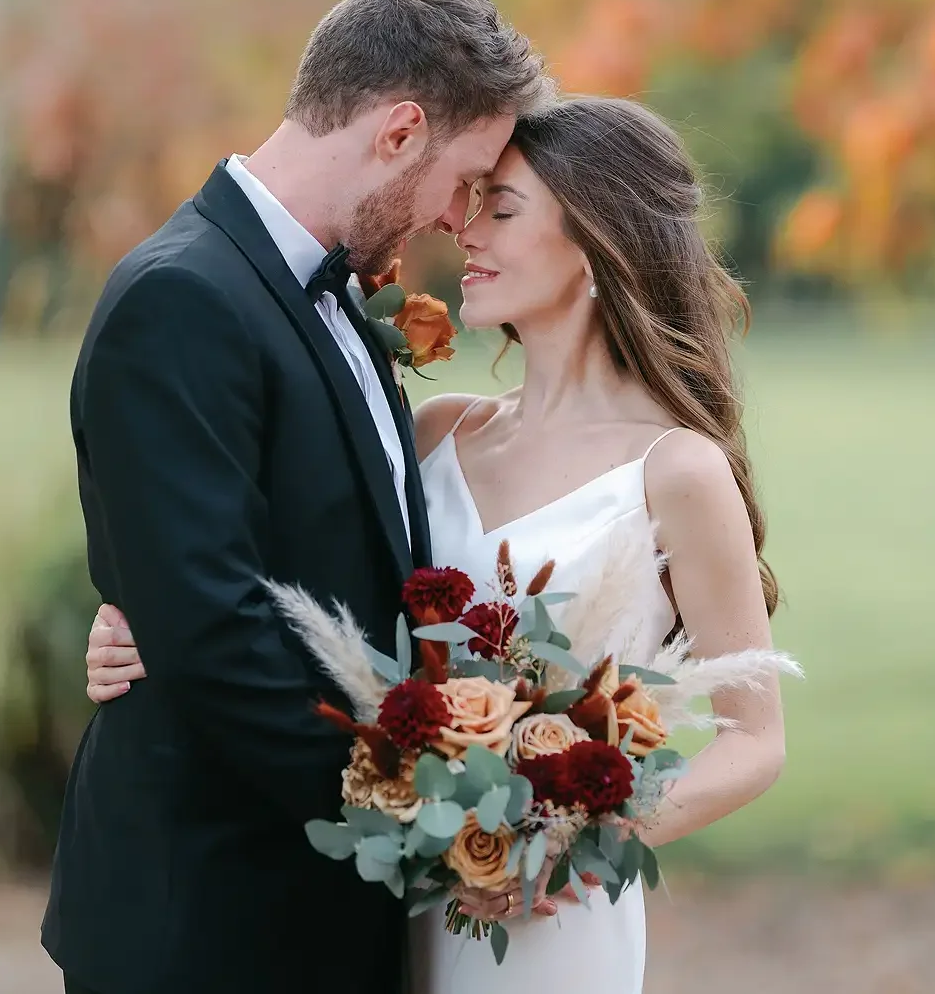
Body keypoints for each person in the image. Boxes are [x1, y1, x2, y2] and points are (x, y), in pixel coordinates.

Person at [86, 94, 788, 994]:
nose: (465, 229)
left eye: (501, 208)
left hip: (549, 919)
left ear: (594, 243)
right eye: (471, 200)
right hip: (393, 897)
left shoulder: (676, 472)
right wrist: (150, 626)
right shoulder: (437, 432)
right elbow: (278, 582)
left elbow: (754, 739)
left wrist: (576, 840)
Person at [42, 0, 551, 994]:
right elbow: (214, 631)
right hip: (208, 920)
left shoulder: (327, 299)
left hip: (314, 913)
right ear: (398, 131)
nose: (459, 222)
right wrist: (420, 824)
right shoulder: (180, 298)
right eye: (464, 180)